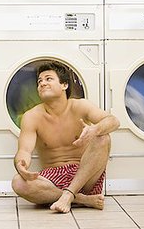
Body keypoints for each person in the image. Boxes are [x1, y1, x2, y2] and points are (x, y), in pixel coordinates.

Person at [11, 61, 120, 213]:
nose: (42, 84)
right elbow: (24, 150)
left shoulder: (80, 106)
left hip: (85, 175)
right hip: (53, 180)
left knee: (103, 137)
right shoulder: (31, 116)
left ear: (64, 85)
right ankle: (81, 199)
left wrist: (95, 129)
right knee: (18, 182)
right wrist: (21, 165)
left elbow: (113, 121)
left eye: (48, 79)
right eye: (39, 81)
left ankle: (68, 195)